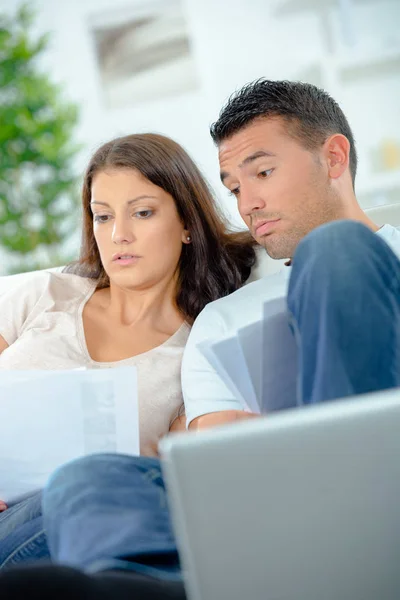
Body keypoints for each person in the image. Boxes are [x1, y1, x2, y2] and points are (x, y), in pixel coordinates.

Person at [2, 79, 400, 598]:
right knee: (89, 478)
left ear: (333, 157)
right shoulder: (220, 320)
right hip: (282, 502)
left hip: (354, 489)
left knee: (337, 251)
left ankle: (362, 510)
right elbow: (219, 454)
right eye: (235, 188)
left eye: (263, 172)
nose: (248, 203)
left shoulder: (361, 258)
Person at [0, 133, 256, 571]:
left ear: (188, 224)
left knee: (90, 486)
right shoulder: (46, 294)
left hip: (84, 526)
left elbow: (186, 481)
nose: (118, 235)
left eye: (142, 212)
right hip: (11, 515)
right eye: (102, 217)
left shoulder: (199, 348)